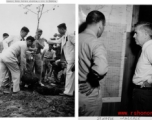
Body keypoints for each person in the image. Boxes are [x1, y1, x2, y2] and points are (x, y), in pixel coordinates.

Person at [79, 10, 108, 116]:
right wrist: (91, 81)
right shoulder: (95, 42)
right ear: (100, 24)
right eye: (104, 26)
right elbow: (101, 68)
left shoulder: (76, 38)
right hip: (88, 94)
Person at [46, 23, 75, 96]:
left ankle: (68, 92)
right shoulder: (64, 37)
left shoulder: (70, 35)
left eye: (59, 30)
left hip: (72, 58)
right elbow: (57, 41)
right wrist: (48, 41)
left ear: (62, 29)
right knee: (71, 75)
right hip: (68, 59)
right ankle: (70, 91)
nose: (58, 32)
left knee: (69, 75)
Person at [132, 22, 152, 111]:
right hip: (141, 92)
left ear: (145, 34)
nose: (134, 36)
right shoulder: (146, 48)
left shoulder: (150, 48)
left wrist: (150, 82)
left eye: (136, 33)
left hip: (144, 93)